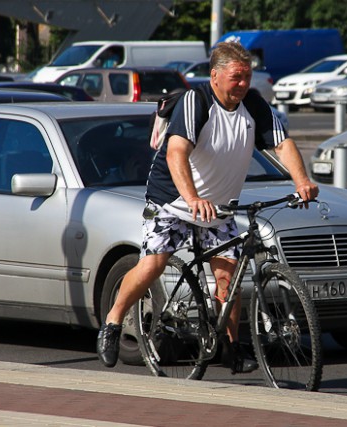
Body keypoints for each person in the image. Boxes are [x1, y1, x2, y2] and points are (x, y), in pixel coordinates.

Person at [96, 41, 319, 373]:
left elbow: (282, 143)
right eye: (237, 77)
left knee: (228, 277)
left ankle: (229, 348)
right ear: (215, 76)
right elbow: (176, 153)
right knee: (153, 265)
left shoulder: (253, 105)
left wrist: (302, 180)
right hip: (172, 201)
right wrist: (191, 199)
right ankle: (113, 321)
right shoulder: (195, 101)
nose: (243, 84)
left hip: (217, 208)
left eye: (248, 77)